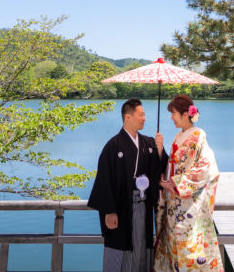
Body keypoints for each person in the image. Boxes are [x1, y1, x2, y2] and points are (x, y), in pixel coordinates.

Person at [88, 98, 168, 272]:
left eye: (144, 115)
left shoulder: (149, 143)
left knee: (141, 249)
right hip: (121, 208)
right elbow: (104, 180)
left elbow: (160, 170)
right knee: (119, 251)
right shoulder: (113, 145)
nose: (144, 118)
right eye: (141, 115)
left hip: (144, 206)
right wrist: (109, 211)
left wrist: (160, 150)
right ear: (128, 117)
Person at [154, 94, 223, 271]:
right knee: (173, 249)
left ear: (186, 114)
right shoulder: (178, 136)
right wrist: (160, 151)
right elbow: (172, 165)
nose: (171, 117)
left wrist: (178, 183)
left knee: (191, 249)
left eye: (174, 113)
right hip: (173, 203)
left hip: (189, 203)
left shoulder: (198, 135)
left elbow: (206, 166)